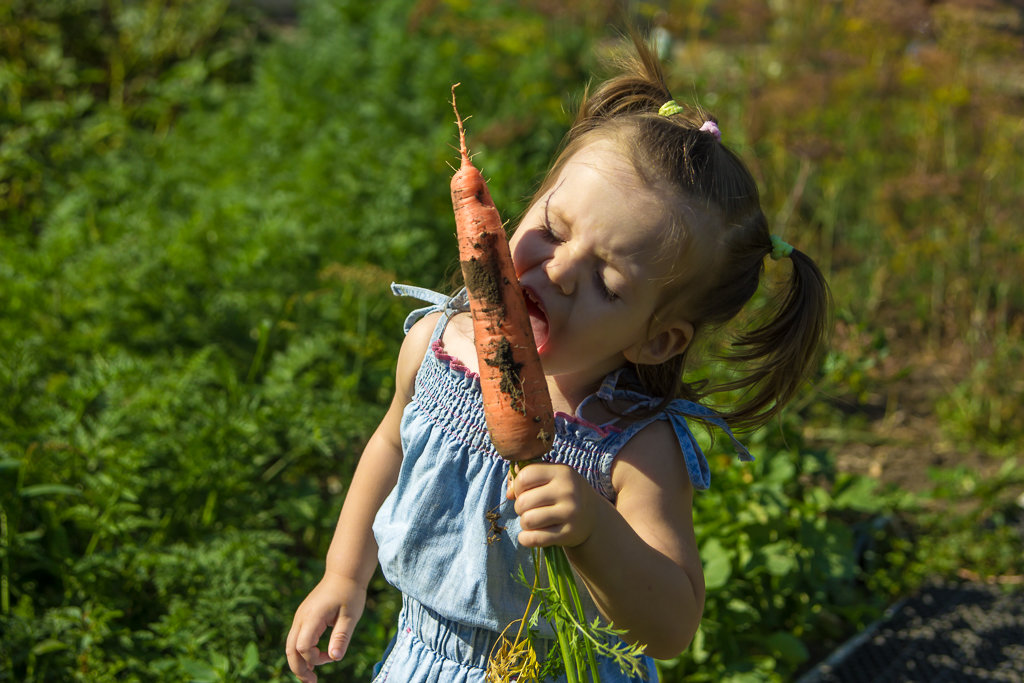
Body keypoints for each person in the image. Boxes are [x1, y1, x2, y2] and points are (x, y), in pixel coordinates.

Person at [286, 34, 830, 683]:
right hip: (427, 659)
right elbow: (389, 445)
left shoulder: (630, 446)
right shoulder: (435, 346)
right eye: (556, 228)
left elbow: (673, 625)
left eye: (609, 283)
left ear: (656, 339)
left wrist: (596, 529)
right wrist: (344, 572)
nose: (560, 270)